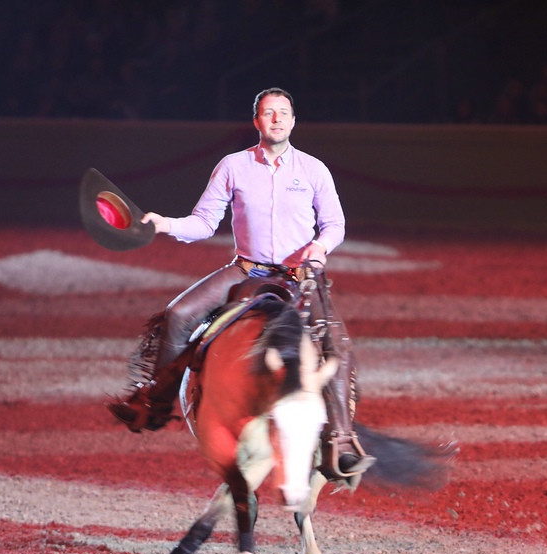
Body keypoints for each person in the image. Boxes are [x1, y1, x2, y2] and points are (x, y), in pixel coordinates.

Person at [108, 87, 373, 479]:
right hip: (246, 270)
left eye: (284, 112)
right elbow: (203, 223)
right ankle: (156, 402)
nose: (277, 119)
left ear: (293, 121)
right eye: (269, 113)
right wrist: (164, 223)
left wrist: (319, 247)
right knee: (179, 314)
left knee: (336, 341)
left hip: (298, 274)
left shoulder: (314, 170)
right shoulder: (232, 166)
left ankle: (341, 441)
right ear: (257, 121)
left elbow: (335, 224)